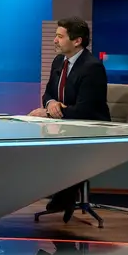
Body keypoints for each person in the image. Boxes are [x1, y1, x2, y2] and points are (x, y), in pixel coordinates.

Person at [29, 16, 110, 212]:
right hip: (65, 125)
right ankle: (62, 193)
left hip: (92, 128)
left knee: (68, 150)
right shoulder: (59, 61)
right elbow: (48, 93)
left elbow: (85, 110)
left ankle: (65, 195)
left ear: (77, 41)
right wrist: (50, 104)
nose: (55, 40)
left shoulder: (92, 67)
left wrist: (48, 114)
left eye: (60, 36)